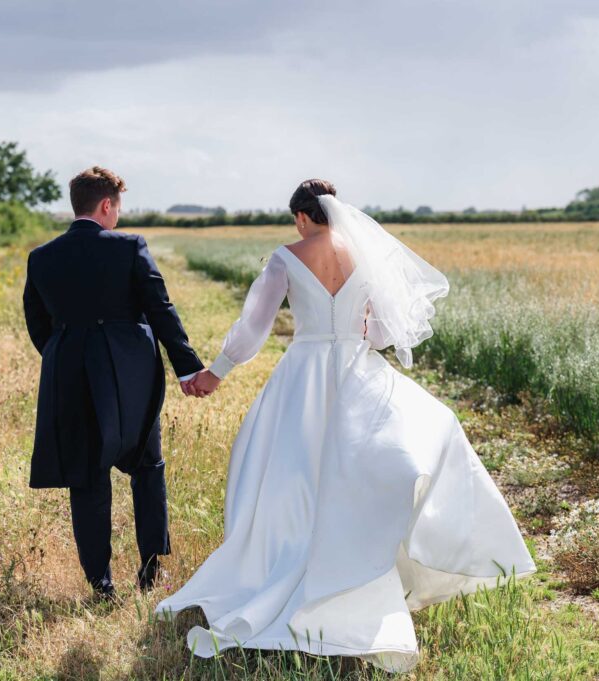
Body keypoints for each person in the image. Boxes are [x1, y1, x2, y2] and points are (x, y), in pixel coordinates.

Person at [157, 179, 536, 672]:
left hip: (304, 373)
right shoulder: (365, 256)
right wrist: (359, 333)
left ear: (300, 216)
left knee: (287, 473)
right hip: (359, 372)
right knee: (362, 469)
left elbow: (254, 328)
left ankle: (283, 565)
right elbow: (380, 331)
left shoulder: (286, 257)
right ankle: (356, 569)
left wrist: (216, 373)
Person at [22, 166, 205, 598]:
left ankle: (100, 582)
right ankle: (150, 569)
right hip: (131, 376)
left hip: (69, 373)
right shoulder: (129, 248)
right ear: (106, 205)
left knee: (87, 476)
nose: (118, 217)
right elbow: (161, 309)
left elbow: (37, 325)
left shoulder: (42, 256)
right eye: (117, 208)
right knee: (147, 467)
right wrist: (188, 368)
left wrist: (66, 356)